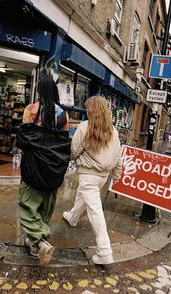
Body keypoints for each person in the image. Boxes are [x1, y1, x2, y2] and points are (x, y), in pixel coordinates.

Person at [62, 95, 122, 265]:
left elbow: (73, 152)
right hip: (103, 177)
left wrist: (77, 157)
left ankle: (104, 251)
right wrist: (116, 176)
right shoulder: (113, 131)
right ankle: (72, 217)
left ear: (92, 111)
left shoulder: (84, 127)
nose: (86, 111)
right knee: (84, 197)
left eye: (88, 109)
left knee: (95, 210)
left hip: (88, 175)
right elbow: (118, 157)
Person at [18, 74, 69, 265]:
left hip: (33, 168)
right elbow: (64, 144)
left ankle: (39, 242)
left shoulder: (30, 110)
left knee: (28, 205)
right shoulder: (63, 114)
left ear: (39, 90)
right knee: (46, 207)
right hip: (53, 170)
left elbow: (23, 140)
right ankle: (34, 244)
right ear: (54, 90)